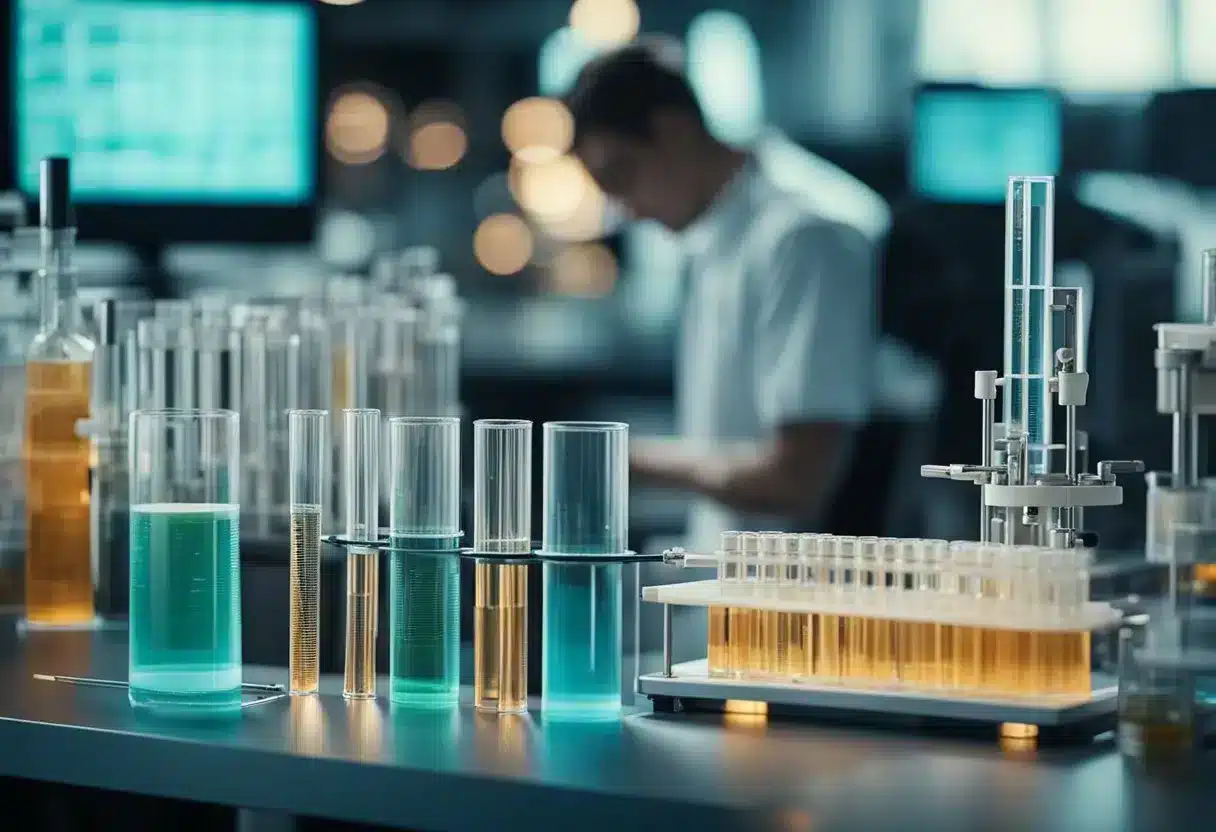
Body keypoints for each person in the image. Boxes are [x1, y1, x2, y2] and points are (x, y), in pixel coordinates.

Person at [565, 38, 881, 551]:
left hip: (796, 584)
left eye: (619, 174)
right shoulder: (715, 236)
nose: (628, 211)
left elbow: (797, 479)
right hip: (728, 572)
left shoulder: (804, 236)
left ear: (673, 130)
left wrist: (619, 460)